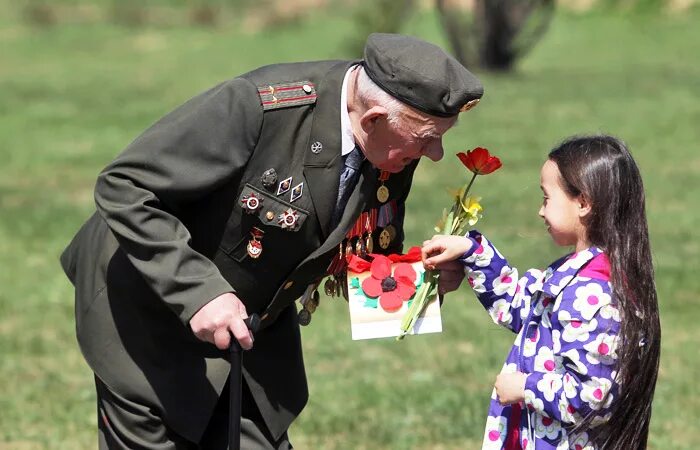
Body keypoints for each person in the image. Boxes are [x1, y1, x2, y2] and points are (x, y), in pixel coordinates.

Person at [59, 33, 483, 449]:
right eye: (428, 138)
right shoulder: (258, 107)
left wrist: (420, 283)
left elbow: (364, 255)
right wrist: (198, 293)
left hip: (249, 323)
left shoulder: (391, 137)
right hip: (147, 306)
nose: (436, 154)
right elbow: (124, 185)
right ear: (371, 120)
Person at [422, 135, 660, 450]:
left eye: (546, 198)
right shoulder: (576, 275)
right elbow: (518, 306)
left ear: (584, 203)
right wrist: (471, 251)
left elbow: (591, 396)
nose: (540, 211)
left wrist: (524, 387)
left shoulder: (592, 295)